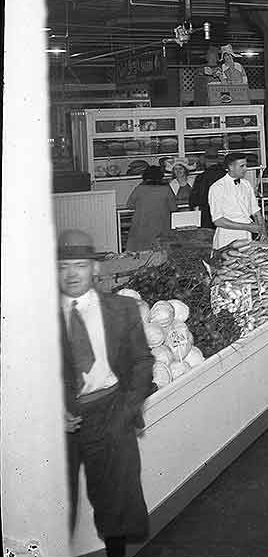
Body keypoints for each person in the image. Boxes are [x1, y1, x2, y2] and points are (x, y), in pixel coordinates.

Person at [58, 229, 155, 557]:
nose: (72, 274)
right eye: (64, 266)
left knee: (114, 503)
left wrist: (128, 410)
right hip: (62, 427)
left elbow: (143, 361)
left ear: (95, 269)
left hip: (110, 412)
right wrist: (49, 409)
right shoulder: (38, 320)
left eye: (80, 265)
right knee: (58, 507)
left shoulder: (122, 309)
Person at [208, 152, 266, 249]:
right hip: (227, 237)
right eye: (242, 166)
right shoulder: (217, 187)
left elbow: (256, 211)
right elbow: (218, 221)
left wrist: (263, 232)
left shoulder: (246, 184)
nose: (245, 169)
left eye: (246, 165)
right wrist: (248, 227)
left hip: (247, 236)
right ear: (231, 167)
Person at [124, 166, 176, 252]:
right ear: (160, 176)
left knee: (141, 254)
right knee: (161, 254)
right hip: (161, 227)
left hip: (142, 227)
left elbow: (129, 205)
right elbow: (173, 207)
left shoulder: (140, 188)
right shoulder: (166, 189)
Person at [189, 149, 228, 229]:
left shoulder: (201, 178)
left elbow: (194, 201)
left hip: (207, 215)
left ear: (205, 161)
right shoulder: (227, 176)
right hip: (226, 215)